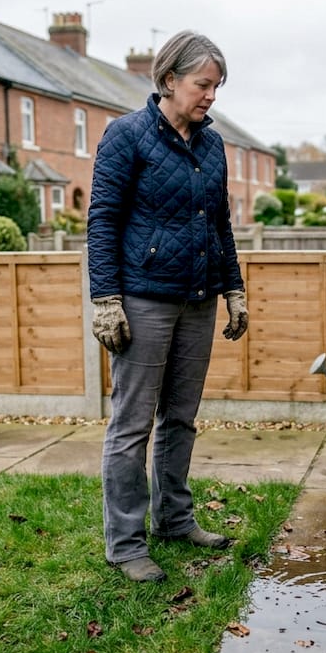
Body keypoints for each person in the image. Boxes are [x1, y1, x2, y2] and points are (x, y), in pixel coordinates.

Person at [86, 30, 248, 583]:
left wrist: (233, 288)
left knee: (180, 418)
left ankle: (174, 521)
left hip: (198, 300)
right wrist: (106, 299)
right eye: (203, 84)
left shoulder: (212, 144)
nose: (211, 96)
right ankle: (126, 544)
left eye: (217, 86)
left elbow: (220, 223)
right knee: (132, 425)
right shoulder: (126, 135)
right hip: (143, 300)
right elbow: (102, 220)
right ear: (170, 79)